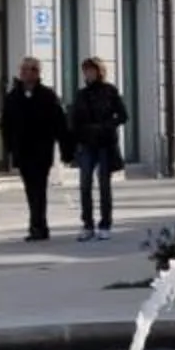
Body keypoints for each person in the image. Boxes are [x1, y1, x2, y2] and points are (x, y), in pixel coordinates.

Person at [0, 56, 69, 242]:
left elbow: (59, 123)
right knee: (30, 189)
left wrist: (65, 148)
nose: (24, 73)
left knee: (39, 188)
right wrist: (9, 147)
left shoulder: (47, 95)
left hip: (41, 150)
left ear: (37, 73)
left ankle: (39, 226)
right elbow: (5, 124)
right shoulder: (13, 96)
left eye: (29, 69)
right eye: (22, 69)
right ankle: (37, 225)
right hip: (22, 150)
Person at [69, 58, 128, 242]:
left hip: (104, 143)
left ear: (99, 72)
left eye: (91, 71)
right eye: (85, 71)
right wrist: (76, 139)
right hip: (87, 144)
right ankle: (87, 224)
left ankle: (105, 224)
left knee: (104, 185)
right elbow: (74, 119)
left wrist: (106, 126)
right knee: (85, 185)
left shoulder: (109, 91)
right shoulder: (81, 94)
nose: (88, 74)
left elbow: (123, 115)